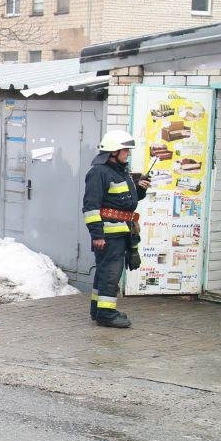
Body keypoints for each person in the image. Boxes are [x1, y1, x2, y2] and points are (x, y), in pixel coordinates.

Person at [82, 130, 149, 329]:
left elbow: (126, 203)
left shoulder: (120, 172)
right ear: (113, 152)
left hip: (120, 234)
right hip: (108, 236)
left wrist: (141, 189)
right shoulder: (98, 173)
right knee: (111, 273)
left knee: (105, 272)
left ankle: (98, 310)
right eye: (125, 150)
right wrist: (97, 235)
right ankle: (106, 314)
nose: (128, 153)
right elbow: (91, 207)